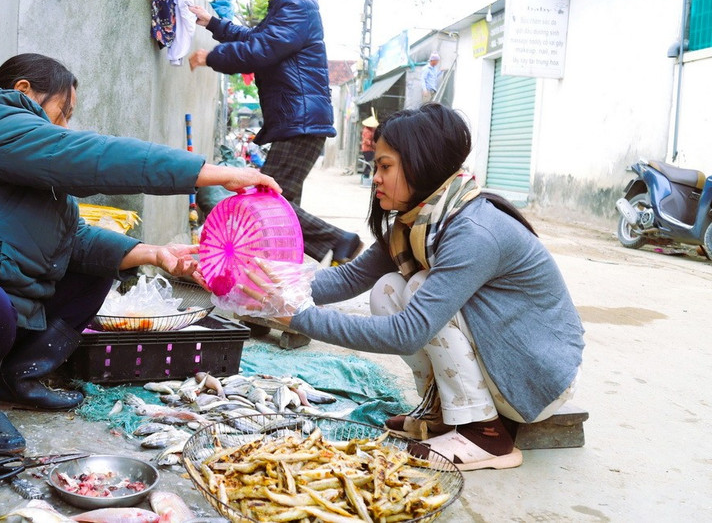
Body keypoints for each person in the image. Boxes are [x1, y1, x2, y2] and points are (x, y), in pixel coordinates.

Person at [0, 53, 281, 454]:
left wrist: (155, 254)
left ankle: (21, 375)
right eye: (62, 113)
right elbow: (91, 155)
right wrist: (208, 173)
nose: (64, 128)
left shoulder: (30, 170)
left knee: (100, 265)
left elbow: (76, 241)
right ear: (25, 91)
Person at [246, 103, 584, 471]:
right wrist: (266, 282)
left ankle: (487, 436)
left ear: (421, 165)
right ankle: (443, 415)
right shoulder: (420, 222)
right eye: (377, 166)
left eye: (386, 166)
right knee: (387, 289)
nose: (376, 177)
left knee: (419, 288)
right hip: (504, 357)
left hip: (535, 374)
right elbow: (350, 278)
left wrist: (301, 318)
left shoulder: (472, 232)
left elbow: (408, 334)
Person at [187, 0, 362, 267]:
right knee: (276, 218)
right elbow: (257, 39)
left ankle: (339, 240)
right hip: (296, 120)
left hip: (300, 122)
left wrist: (213, 56)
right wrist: (213, 24)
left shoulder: (299, 6)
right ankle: (275, 288)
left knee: (266, 201)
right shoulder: (290, 5)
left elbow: (261, 50)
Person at [359, 114, 378, 178]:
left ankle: (365, 176)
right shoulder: (367, 131)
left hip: (369, 150)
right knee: (369, 165)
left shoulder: (370, 130)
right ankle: (364, 177)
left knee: (369, 165)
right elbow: (367, 141)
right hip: (367, 150)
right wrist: (373, 145)